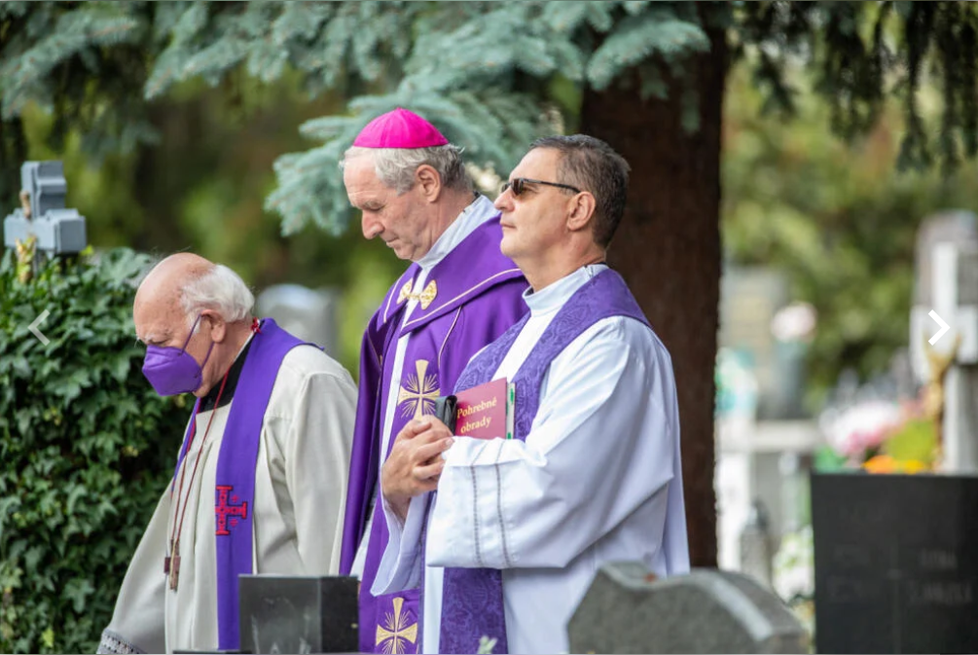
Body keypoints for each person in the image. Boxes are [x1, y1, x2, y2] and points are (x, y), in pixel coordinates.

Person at [373, 135, 690, 654]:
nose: (501, 202)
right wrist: (401, 488)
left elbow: (557, 485)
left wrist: (436, 464)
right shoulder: (492, 357)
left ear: (578, 209)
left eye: (521, 188)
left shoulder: (614, 343)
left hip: (569, 631)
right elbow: (451, 504)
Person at [97, 254, 357, 654]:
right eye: (146, 345)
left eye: (161, 342)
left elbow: (337, 546)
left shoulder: (305, 384)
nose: (153, 361)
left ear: (214, 323)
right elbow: (181, 546)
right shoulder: (209, 397)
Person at [339, 108, 529, 654]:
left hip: (469, 567)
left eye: (374, 207)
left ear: (426, 182)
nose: (368, 228)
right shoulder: (408, 291)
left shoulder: (506, 280)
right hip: (406, 539)